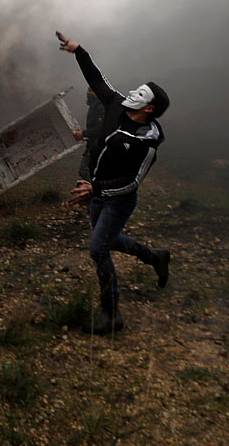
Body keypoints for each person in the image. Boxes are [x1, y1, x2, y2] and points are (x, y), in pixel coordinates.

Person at [57, 31, 171, 335]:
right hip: (98, 187)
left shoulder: (147, 143)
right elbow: (97, 78)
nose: (134, 92)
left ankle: (111, 314)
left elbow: (132, 182)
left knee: (98, 248)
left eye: (143, 94)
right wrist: (78, 50)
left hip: (118, 198)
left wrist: (98, 189)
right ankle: (155, 256)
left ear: (150, 108)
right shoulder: (115, 104)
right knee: (108, 239)